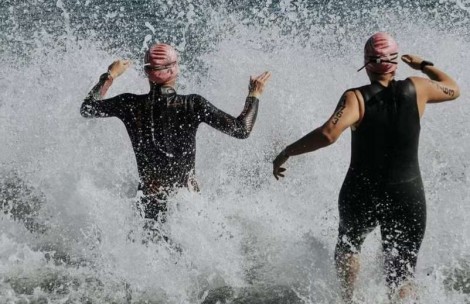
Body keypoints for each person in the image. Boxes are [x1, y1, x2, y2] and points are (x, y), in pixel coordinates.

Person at [272, 32, 460, 302]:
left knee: (349, 246)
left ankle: (349, 299)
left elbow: (328, 134)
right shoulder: (419, 87)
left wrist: (287, 151)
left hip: (363, 191)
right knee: (402, 274)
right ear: (395, 62)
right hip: (408, 194)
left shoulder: (355, 98)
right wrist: (423, 65)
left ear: (366, 63)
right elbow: (453, 88)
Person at [81, 43, 271, 223]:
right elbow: (241, 129)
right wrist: (254, 95)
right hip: (186, 203)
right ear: (174, 70)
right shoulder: (193, 104)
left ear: (147, 72)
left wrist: (110, 75)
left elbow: (87, 108)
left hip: (148, 199)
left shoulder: (129, 104)